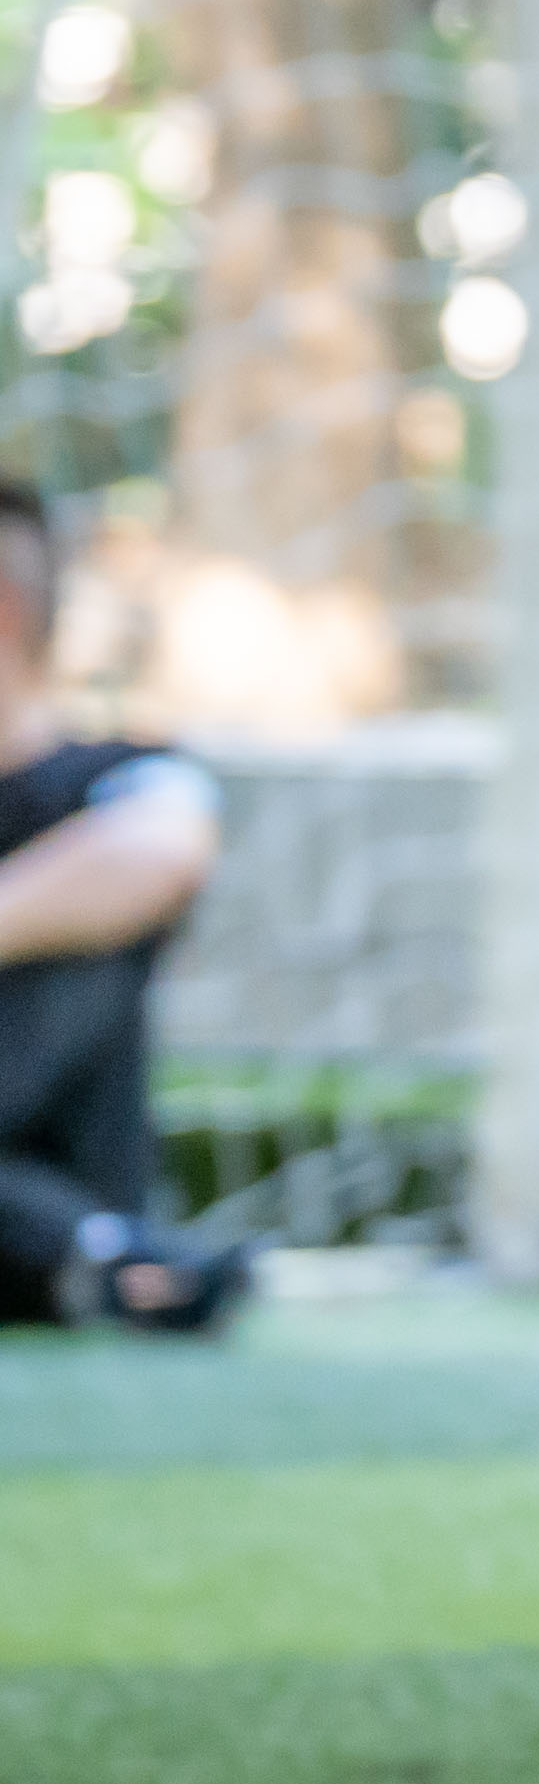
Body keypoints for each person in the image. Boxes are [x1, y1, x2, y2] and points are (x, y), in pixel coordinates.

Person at [0, 487, 235, 1338]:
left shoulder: (114, 779)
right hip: (54, 1235)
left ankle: (96, 1254)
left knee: (91, 909)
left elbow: (163, 852)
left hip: (58, 1182)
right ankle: (103, 1258)